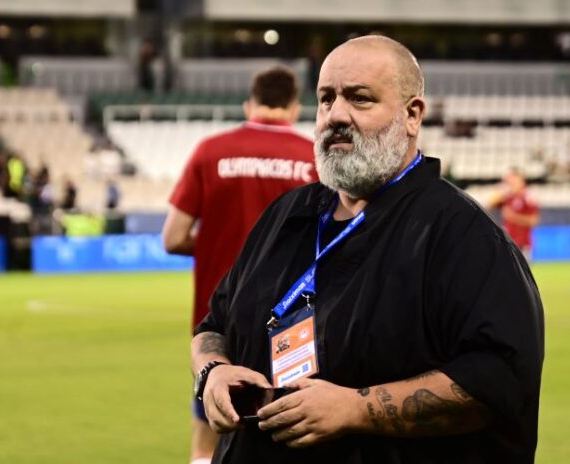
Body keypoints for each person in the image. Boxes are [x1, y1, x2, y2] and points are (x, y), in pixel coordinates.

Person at [191, 36, 544, 464]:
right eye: (326, 99)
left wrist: (357, 409)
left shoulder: (462, 235)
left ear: (412, 115)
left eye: (359, 98)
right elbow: (213, 326)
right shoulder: (284, 216)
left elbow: (503, 379)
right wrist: (213, 371)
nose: (336, 115)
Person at [163, 66, 316, 464]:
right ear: (294, 107)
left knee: (209, 433)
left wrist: (218, 243)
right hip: (295, 325)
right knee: (293, 438)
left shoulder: (210, 151)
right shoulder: (312, 157)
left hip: (220, 322)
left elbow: (173, 237)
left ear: (249, 104)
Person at [488, 168, 540, 261]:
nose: (511, 183)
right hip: (507, 242)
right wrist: (498, 194)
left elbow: (533, 221)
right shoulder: (507, 197)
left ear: (521, 181)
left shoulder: (527, 197)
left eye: (513, 180)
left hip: (522, 244)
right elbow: (488, 208)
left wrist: (513, 216)